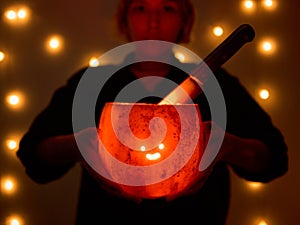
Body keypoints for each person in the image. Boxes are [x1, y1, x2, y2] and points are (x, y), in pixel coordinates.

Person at [17, 0, 288, 224]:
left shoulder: (219, 86)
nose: (154, 21)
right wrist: (78, 146)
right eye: (141, 8)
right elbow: (33, 154)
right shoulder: (91, 83)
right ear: (125, 20)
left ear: (185, 21)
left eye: (167, 8)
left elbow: (274, 158)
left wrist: (226, 146)